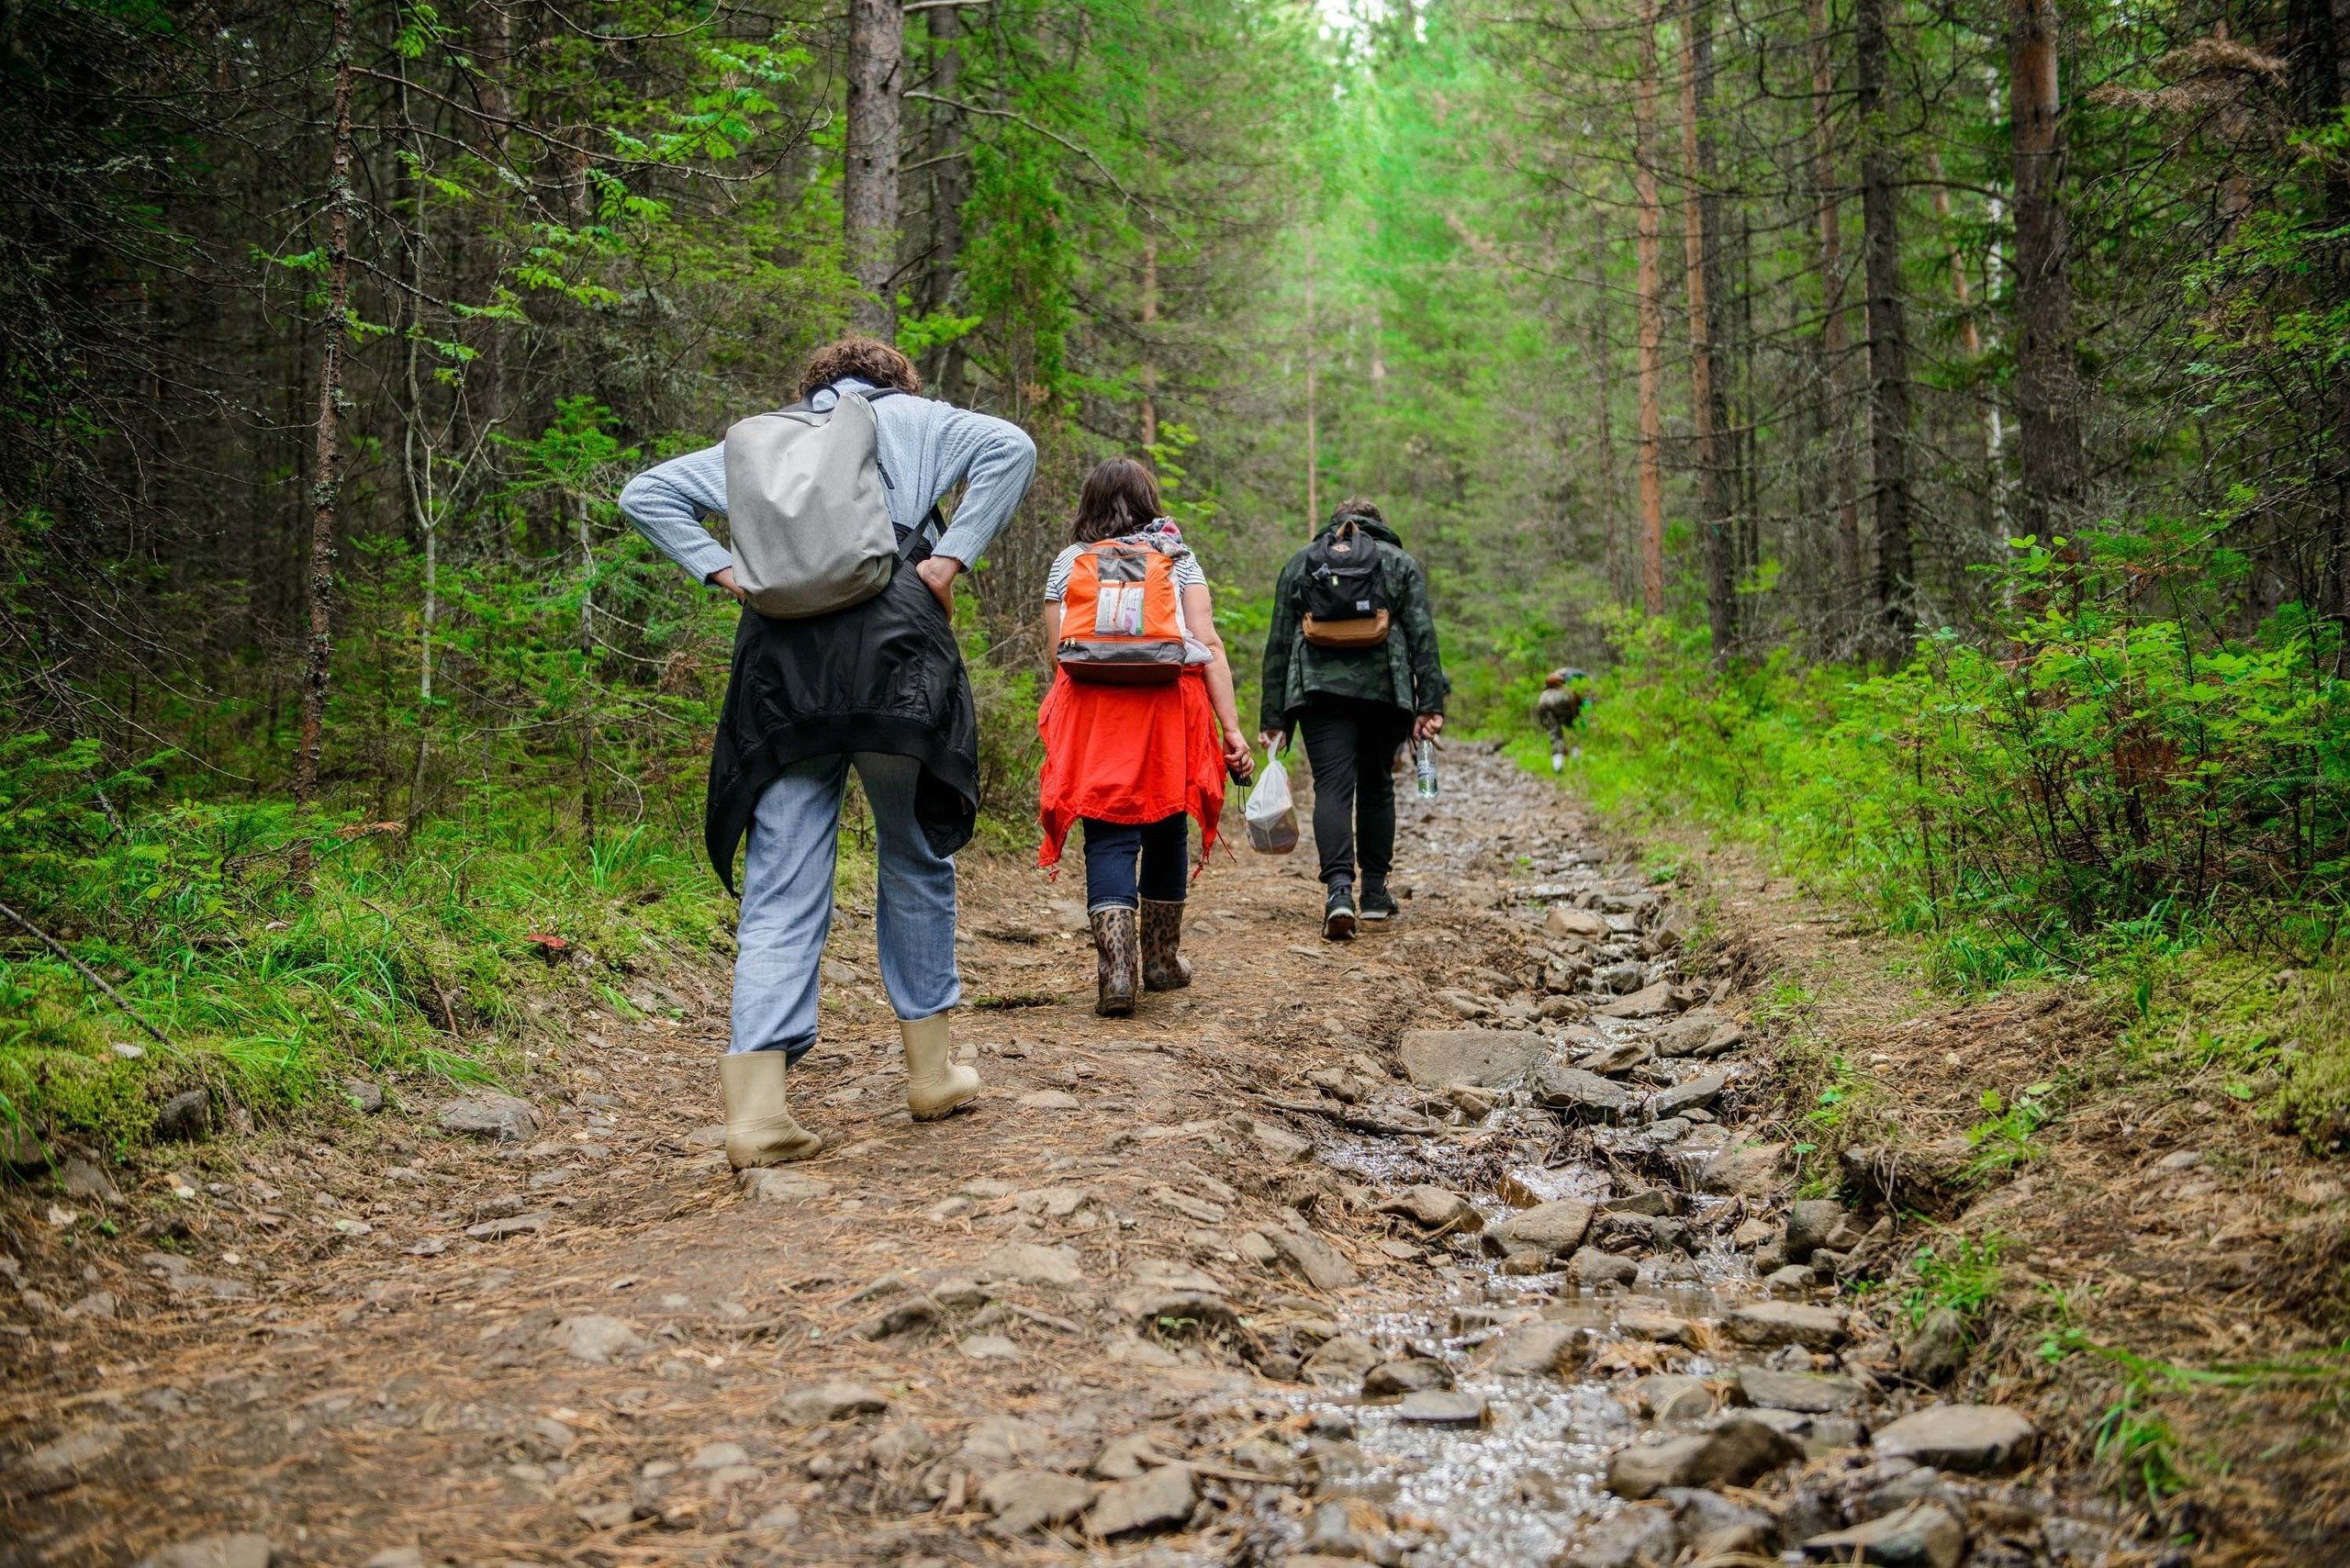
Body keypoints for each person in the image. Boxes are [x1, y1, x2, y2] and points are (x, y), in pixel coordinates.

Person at [618, 337, 1037, 1167]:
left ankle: (758, 1114)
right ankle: (931, 1073)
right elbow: (1011, 446)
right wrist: (947, 561)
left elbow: (645, 493)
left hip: (783, 664)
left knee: (781, 877)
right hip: (895, 649)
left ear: (810, 386)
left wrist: (726, 573)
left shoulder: (766, 439)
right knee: (913, 855)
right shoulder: (920, 419)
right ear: (898, 381)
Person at [1036, 459, 1252, 1015]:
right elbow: (1208, 644)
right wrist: (1231, 728)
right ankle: (1159, 960)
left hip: (1094, 713)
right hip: (1167, 708)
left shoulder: (1069, 562)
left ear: (1089, 503)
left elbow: (1060, 653)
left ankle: (1116, 972)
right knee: (1165, 825)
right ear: (1148, 501)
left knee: (1107, 831)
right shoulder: (1177, 557)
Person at [1258, 498, 1449, 939]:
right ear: (1378, 525)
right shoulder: (1399, 563)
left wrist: (1273, 717)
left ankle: (1339, 893)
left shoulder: (1302, 562)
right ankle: (1375, 893)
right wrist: (1431, 704)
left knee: (1332, 787)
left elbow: (1279, 641)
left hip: (1318, 692)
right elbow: (1423, 635)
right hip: (1385, 692)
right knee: (1378, 784)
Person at [1537, 667, 1588, 770]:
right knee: (1574, 728)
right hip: (1562, 699)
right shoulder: (1577, 678)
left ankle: (1557, 766)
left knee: (1555, 734)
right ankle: (1576, 758)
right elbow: (1577, 704)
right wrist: (1575, 716)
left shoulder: (1554, 678)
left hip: (1543, 699)